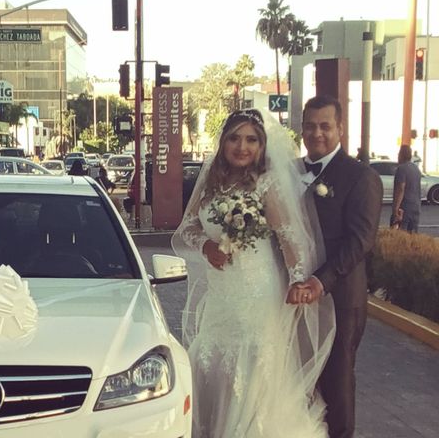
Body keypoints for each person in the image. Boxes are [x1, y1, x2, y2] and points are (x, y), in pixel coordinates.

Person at [173, 109, 335, 437]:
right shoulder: (210, 180)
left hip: (257, 292)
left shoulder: (267, 183)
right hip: (221, 292)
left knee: (251, 364)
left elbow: (291, 239)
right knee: (213, 354)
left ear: (261, 145)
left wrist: (297, 282)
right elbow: (188, 225)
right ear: (223, 142)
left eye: (251, 139)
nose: (242, 146)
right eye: (234, 138)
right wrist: (206, 247)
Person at [287, 95, 382, 438]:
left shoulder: (361, 176)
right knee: (299, 380)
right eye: (310, 126)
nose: (317, 133)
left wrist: (319, 281)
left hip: (338, 297)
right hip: (292, 298)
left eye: (325, 126)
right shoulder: (290, 171)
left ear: (340, 128)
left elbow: (360, 241)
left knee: (337, 384)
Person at [391, 144, 422, 232]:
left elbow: (401, 189)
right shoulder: (416, 169)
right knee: (412, 237)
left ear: (401, 154)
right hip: (416, 207)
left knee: (401, 237)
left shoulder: (401, 169)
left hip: (404, 208)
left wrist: (395, 209)